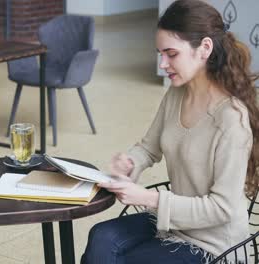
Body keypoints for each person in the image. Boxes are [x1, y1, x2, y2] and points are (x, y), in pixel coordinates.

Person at [81, 0, 258, 263]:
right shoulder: (176, 94)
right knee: (101, 236)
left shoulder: (232, 119)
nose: (163, 63)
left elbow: (222, 208)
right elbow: (148, 147)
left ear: (204, 48)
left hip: (214, 244)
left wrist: (149, 198)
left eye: (171, 54)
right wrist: (130, 162)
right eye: (160, 53)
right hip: (174, 223)